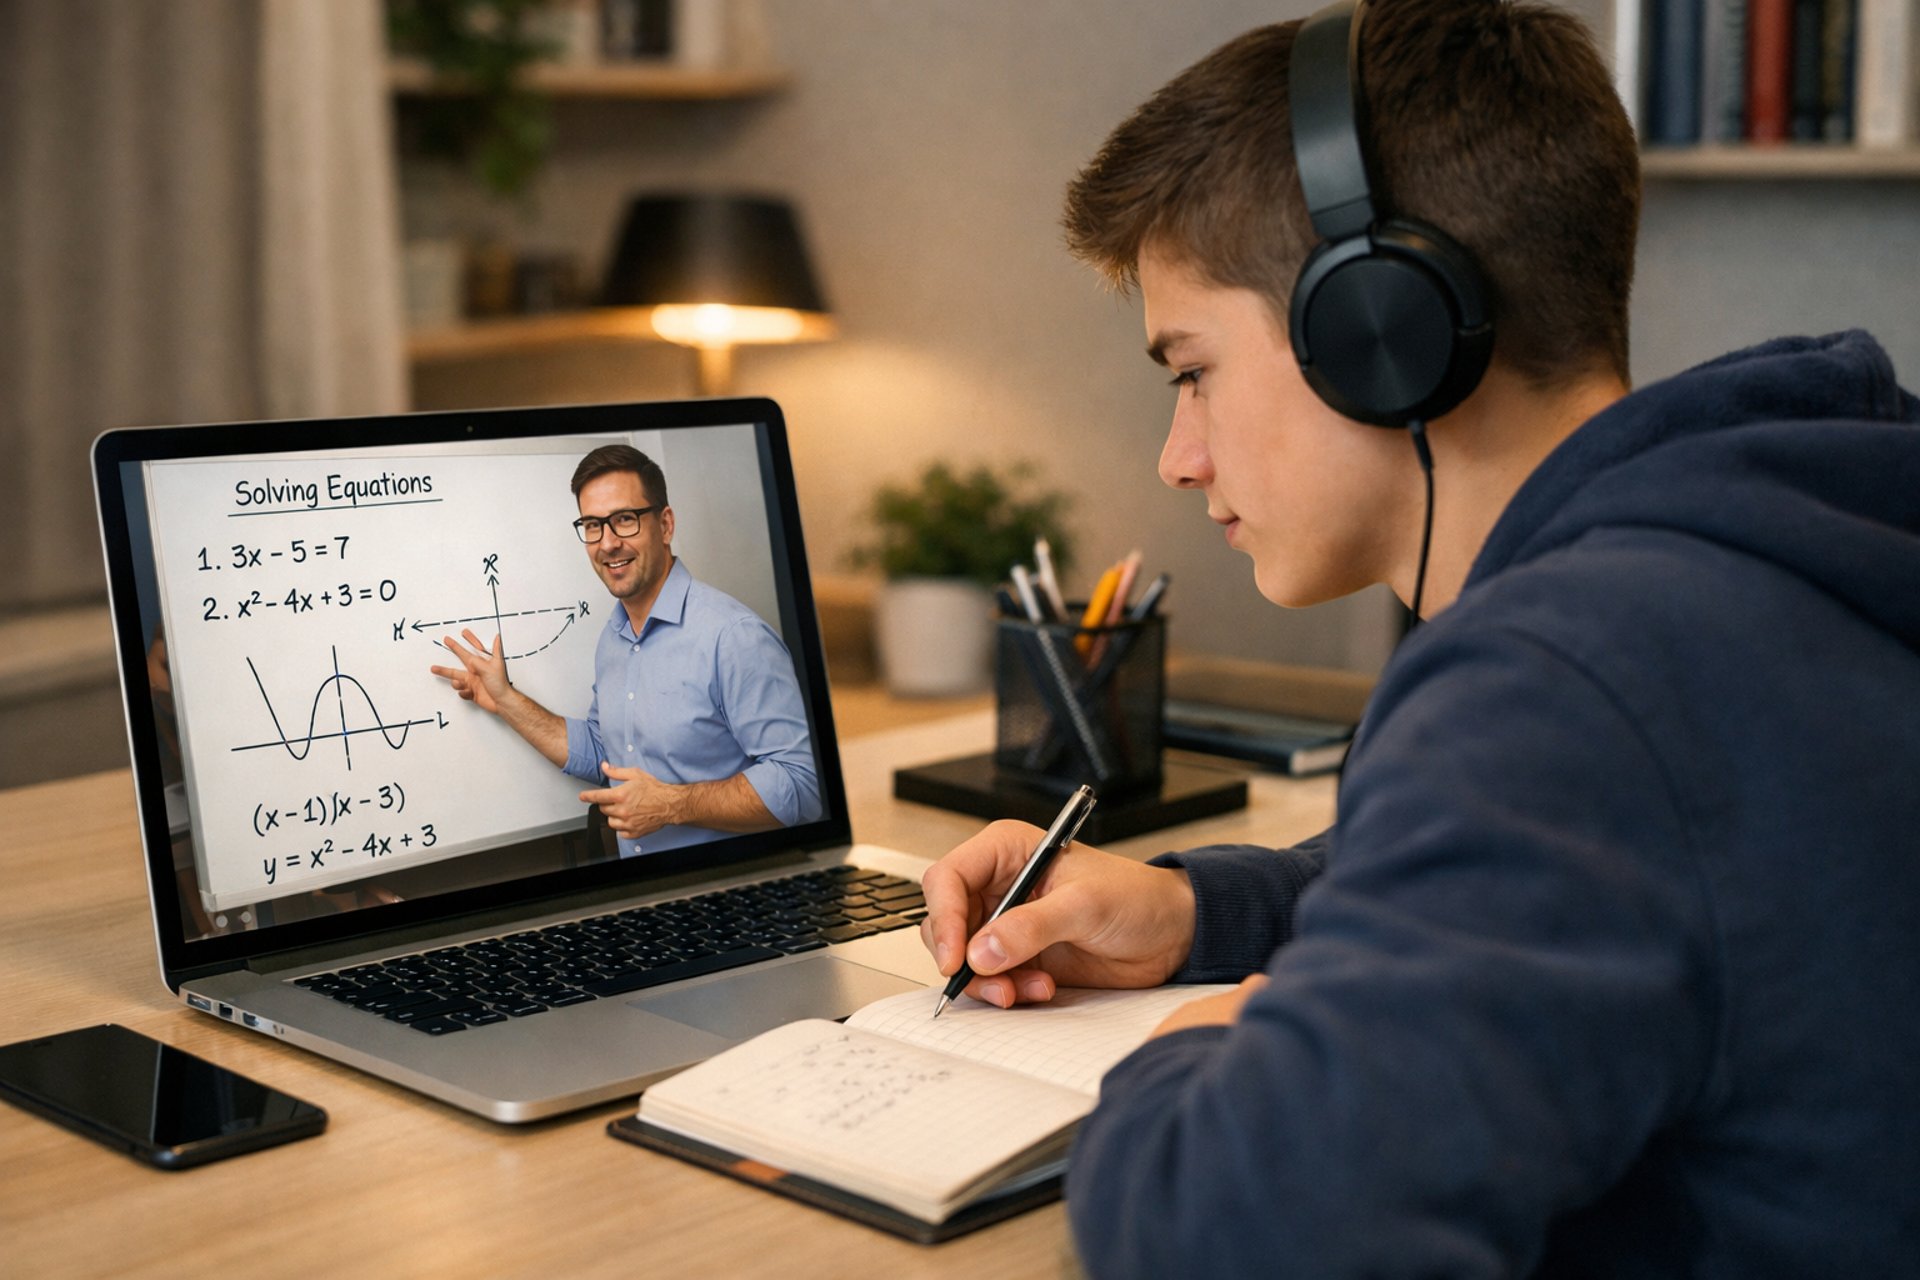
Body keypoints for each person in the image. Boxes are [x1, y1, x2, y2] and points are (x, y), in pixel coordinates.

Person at [918, 0, 1920, 1274]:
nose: (1179, 457)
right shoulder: (1776, 542)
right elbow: (1567, 870)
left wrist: (1191, 1054)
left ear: (1378, 329)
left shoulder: (1564, 685)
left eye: (1192, 371)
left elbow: (1226, 1236)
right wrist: (1197, 910)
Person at [433, 444, 822, 853]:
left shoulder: (733, 637)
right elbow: (605, 750)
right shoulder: (614, 639)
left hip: (727, 887)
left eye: (624, 519)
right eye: (593, 525)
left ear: (665, 525)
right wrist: (505, 700)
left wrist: (672, 805)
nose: (608, 543)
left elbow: (803, 782)